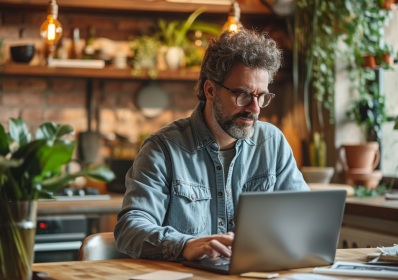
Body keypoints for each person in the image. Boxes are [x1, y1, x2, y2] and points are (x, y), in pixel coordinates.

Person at [114, 29, 309, 261]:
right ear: (210, 90)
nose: (255, 108)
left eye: (262, 97)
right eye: (243, 95)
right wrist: (185, 245)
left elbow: (304, 219)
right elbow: (130, 230)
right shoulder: (162, 149)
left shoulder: (272, 143)